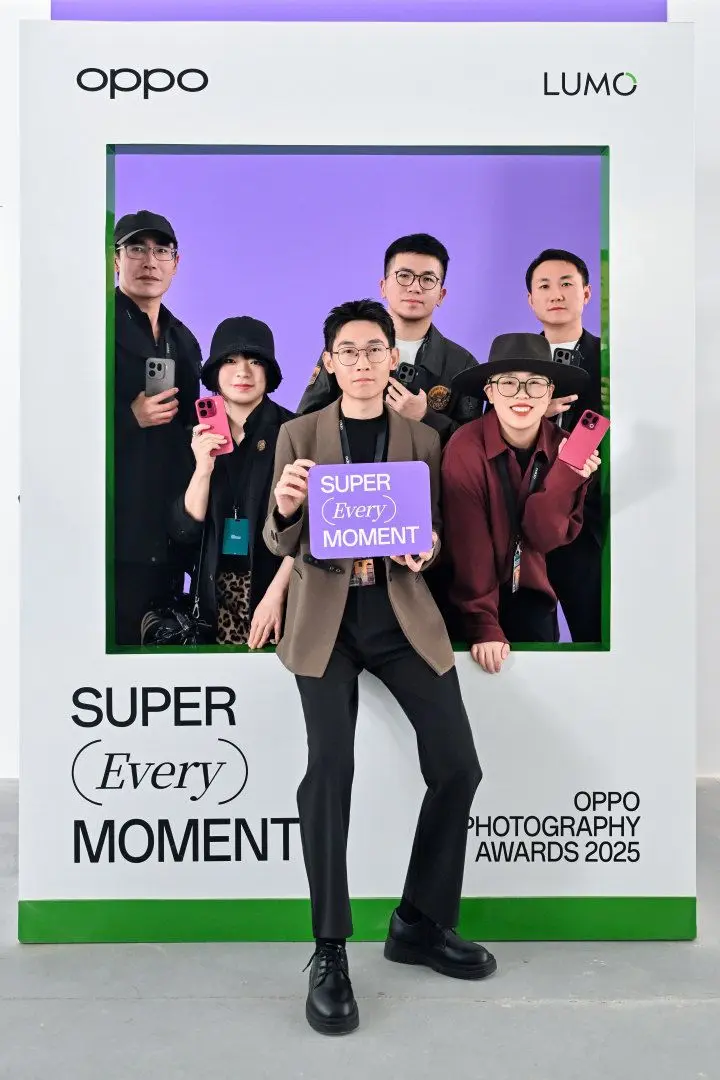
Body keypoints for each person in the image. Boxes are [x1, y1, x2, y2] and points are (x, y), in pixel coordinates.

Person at [263, 299, 496, 1037]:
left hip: (398, 616)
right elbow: (277, 538)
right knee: (330, 771)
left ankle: (420, 922)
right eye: (348, 351)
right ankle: (330, 949)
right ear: (329, 362)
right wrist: (285, 506)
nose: (362, 362)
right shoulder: (298, 433)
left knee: (457, 766)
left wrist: (425, 551)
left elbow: (437, 537)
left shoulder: (424, 439)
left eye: (374, 350)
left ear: (393, 359)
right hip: (326, 623)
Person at [442, 334, 599, 674]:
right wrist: (483, 624)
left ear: (550, 393)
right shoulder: (464, 447)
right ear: (490, 392)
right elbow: (469, 545)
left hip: (533, 597)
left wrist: (566, 476)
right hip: (470, 601)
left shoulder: (568, 449)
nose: (522, 395)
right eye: (508, 383)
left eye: (535, 384)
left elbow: (543, 535)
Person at [168, 318, 296, 646]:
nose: (243, 372)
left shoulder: (294, 432)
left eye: (255, 361)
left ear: (269, 371)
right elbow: (183, 532)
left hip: (278, 593)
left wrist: (277, 594)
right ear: (215, 371)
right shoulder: (192, 435)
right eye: (230, 360)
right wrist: (203, 469)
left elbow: (311, 530)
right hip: (210, 596)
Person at [113, 210, 202, 647]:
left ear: (175, 263)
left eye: (161, 251)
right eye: (136, 249)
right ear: (115, 260)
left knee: (164, 645)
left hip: (169, 526)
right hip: (113, 527)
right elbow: (57, 415)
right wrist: (129, 417)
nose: (149, 261)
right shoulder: (93, 327)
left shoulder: (182, 338)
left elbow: (189, 424)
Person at [296, 233, 480, 443]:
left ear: (441, 295)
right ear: (383, 287)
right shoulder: (346, 347)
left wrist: (425, 417)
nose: (415, 287)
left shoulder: (462, 364)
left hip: (427, 465)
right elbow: (306, 421)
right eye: (404, 276)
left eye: (427, 279)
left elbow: (473, 445)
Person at [526, 248, 605, 643]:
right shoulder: (514, 365)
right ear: (531, 300)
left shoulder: (612, 361)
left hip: (590, 522)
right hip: (523, 520)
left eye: (566, 284)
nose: (555, 293)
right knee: (527, 643)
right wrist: (533, 413)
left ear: (586, 293)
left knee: (596, 634)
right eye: (544, 286)